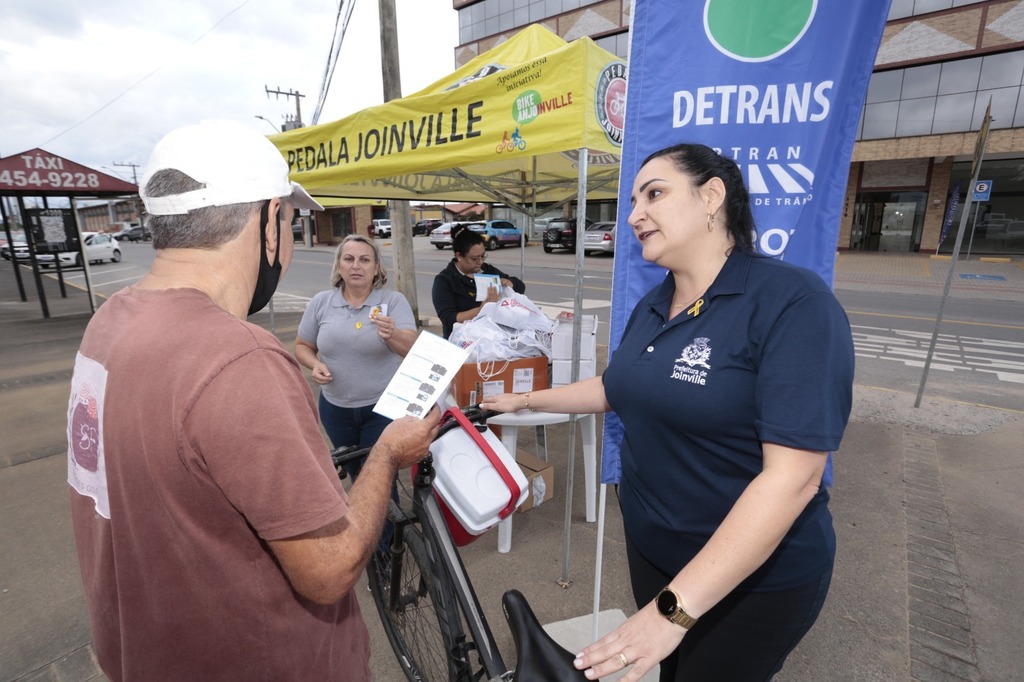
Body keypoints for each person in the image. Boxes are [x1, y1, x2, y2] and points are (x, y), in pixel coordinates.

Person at [65, 120, 439, 682]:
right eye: (289, 221)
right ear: (268, 221)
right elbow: (330, 569)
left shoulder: (106, 325)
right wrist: (386, 454)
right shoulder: (240, 360)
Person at [483, 143, 855, 681]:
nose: (634, 214)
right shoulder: (654, 301)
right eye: (633, 200)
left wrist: (672, 611)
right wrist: (521, 400)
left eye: (654, 194)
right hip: (654, 550)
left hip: (752, 579)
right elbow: (616, 388)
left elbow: (794, 479)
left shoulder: (792, 304)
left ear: (711, 197)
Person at [295, 234, 417, 474]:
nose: (356, 266)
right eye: (349, 259)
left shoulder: (393, 301)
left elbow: (411, 349)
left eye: (364, 260)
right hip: (335, 408)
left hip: (383, 407)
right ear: (339, 265)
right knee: (354, 471)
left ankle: (385, 513)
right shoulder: (321, 302)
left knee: (380, 475)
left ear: (376, 267)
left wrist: (392, 333)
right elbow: (302, 345)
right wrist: (314, 364)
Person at [431, 223, 525, 338]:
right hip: (461, 342)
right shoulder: (445, 280)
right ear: (459, 256)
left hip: (492, 340)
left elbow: (520, 287)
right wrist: (482, 309)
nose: (480, 262)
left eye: (483, 256)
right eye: (475, 258)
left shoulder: (487, 270)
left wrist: (510, 283)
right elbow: (449, 319)